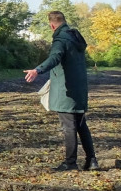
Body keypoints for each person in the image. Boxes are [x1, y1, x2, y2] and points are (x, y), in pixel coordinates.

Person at [24, 11, 98, 172]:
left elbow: (55, 57)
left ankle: (70, 163)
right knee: (80, 124)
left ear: (52, 25)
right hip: (79, 88)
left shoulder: (60, 39)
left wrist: (38, 70)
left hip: (66, 90)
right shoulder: (75, 37)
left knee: (69, 126)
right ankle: (92, 160)